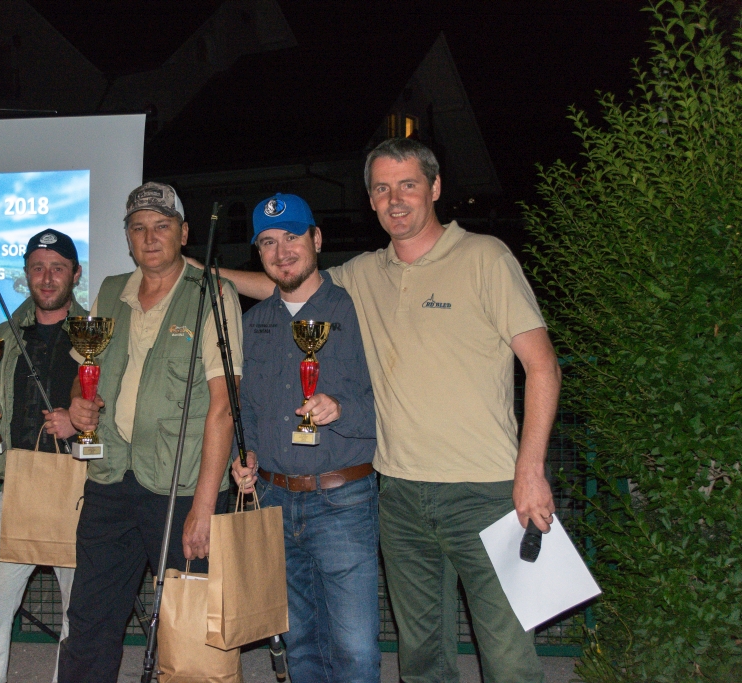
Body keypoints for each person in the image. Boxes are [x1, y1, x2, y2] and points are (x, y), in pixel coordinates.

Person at [199, 139, 562, 683]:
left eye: (408, 185)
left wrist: (530, 471)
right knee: (422, 660)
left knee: (508, 658)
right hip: (400, 492)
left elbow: (543, 366)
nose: (395, 200)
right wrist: (197, 270)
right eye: (382, 189)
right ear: (369, 200)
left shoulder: (485, 257)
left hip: (485, 489)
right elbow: (288, 283)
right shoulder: (364, 274)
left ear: (435, 188)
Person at [57, 182, 242, 683]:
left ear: (183, 233)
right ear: (127, 238)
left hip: (181, 488)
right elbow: (86, 370)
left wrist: (205, 507)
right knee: (89, 619)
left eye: (162, 226)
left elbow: (224, 408)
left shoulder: (212, 293)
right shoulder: (110, 290)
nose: (150, 236)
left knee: (190, 629)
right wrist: (79, 402)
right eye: (138, 228)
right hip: (110, 478)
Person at [230, 193, 380, 683]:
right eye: (268, 242)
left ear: (317, 238)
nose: (282, 251)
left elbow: (396, 401)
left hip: (343, 500)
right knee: (300, 645)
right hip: (273, 498)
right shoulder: (253, 323)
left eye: (293, 236)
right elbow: (248, 409)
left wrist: (343, 409)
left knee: (355, 650)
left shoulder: (359, 310)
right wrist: (245, 454)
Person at [0, 228, 88, 683]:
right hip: (13, 488)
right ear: (26, 275)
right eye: (38, 268)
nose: (47, 277)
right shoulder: (4, 334)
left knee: (79, 619)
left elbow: (115, 403)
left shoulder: (97, 331)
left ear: (75, 274)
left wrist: (78, 421)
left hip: (81, 492)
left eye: (57, 268)